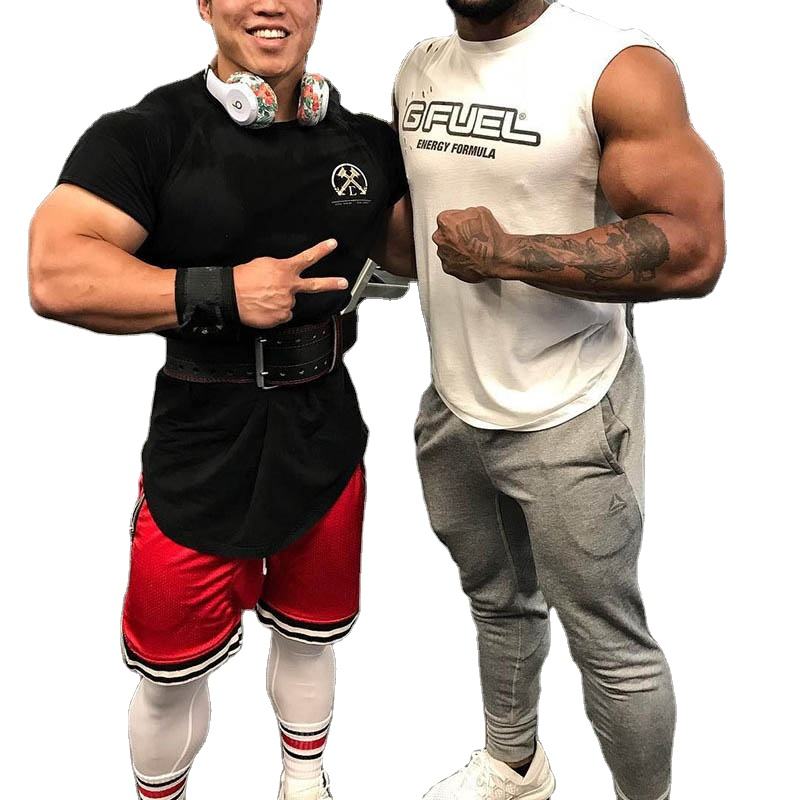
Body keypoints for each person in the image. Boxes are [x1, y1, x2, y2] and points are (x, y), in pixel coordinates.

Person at [28, 2, 411, 799]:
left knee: (311, 638)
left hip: (325, 435)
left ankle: (303, 782)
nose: (270, 4)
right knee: (168, 676)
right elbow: (56, 271)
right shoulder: (149, 135)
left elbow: (430, 246)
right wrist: (223, 292)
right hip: (199, 445)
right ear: (204, 4)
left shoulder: (368, 145)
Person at [390, 1, 725, 799]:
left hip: (569, 412)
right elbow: (409, 237)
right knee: (497, 603)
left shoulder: (616, 70)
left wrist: (508, 253)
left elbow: (694, 247)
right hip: (454, 404)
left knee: (609, 643)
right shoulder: (419, 69)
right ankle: (515, 768)